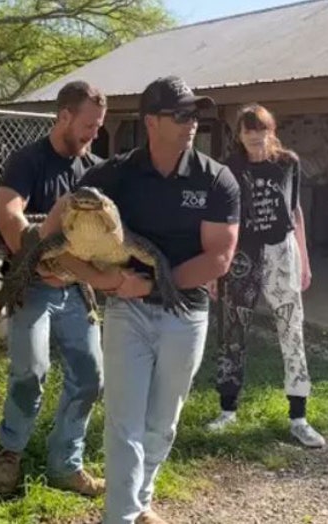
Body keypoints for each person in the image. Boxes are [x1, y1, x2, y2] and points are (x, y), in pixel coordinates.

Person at [40, 76, 240, 524]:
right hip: (126, 312)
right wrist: (103, 281)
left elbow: (218, 259)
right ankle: (122, 516)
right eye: (182, 114)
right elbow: (58, 230)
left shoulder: (216, 179)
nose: (193, 122)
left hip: (185, 315)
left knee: (163, 422)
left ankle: (138, 498)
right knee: (123, 423)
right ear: (152, 121)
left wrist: (146, 285)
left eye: (196, 114)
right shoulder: (114, 175)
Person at [0, 80, 119, 496]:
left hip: (77, 288)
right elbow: (8, 217)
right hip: (33, 286)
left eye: (98, 127)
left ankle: (66, 463)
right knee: (31, 372)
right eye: (88, 125)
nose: (93, 134)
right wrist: (41, 254)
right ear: (64, 116)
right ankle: (10, 452)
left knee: (90, 377)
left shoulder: (94, 170)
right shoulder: (28, 160)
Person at [205, 103, 326, 449]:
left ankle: (298, 417)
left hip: (281, 251)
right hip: (241, 255)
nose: (256, 140)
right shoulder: (228, 169)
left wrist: (303, 259)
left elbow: (295, 211)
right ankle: (228, 410)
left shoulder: (288, 163)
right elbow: (219, 219)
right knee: (232, 331)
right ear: (239, 134)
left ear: (272, 131)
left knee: (292, 330)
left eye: (262, 133)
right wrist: (215, 268)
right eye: (249, 133)